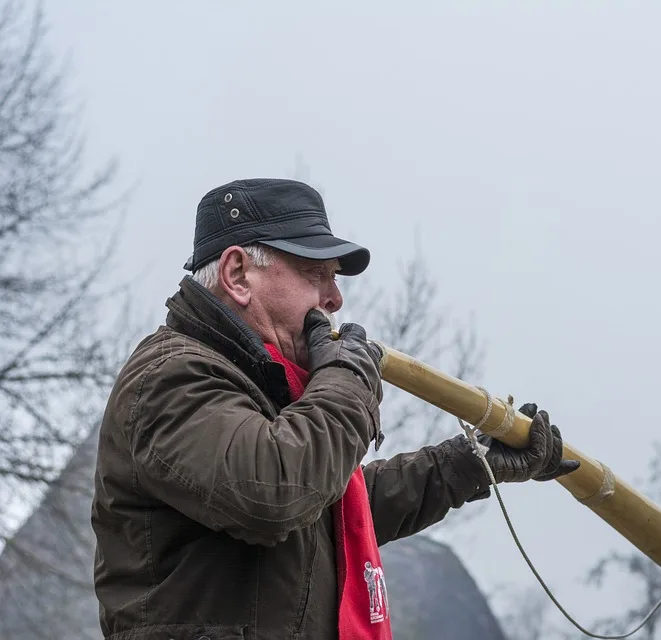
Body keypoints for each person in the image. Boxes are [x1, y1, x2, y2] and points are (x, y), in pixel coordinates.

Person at [90, 178, 580, 640]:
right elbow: (275, 490)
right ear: (238, 274)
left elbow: (332, 508)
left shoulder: (264, 383)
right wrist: (349, 379)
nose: (335, 299)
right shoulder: (170, 376)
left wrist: (467, 466)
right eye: (314, 274)